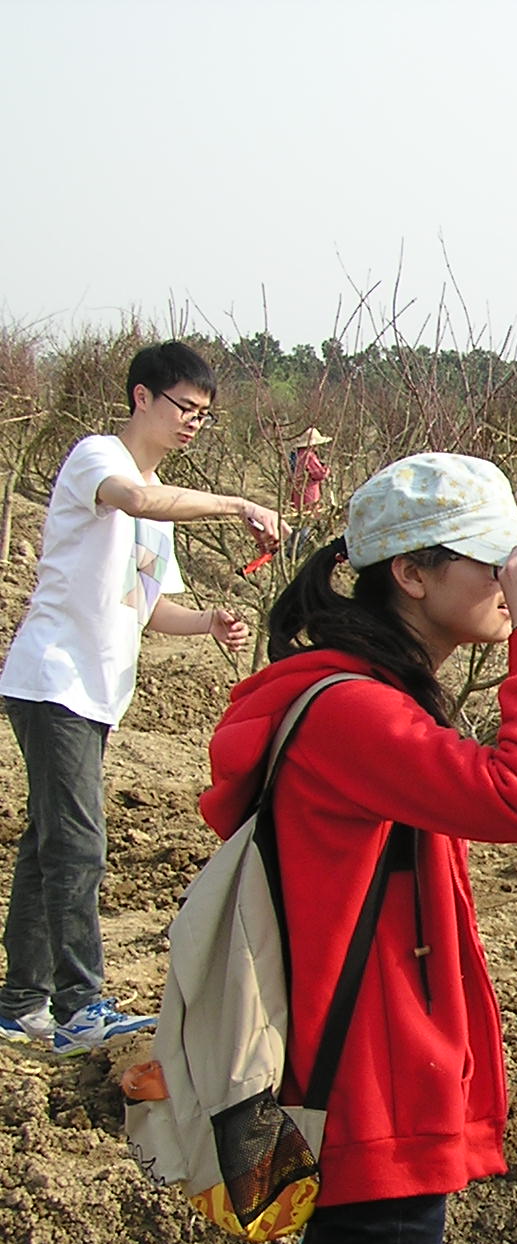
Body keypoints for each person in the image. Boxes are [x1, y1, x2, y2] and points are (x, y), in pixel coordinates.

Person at [214, 452, 517, 1244]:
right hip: (375, 1106)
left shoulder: (345, 695)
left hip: (331, 1082)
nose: (511, 576)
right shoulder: (352, 715)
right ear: (408, 576)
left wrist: (506, 561)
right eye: (489, 558)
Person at [0, 340, 279, 1054]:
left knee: (48, 845)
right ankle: (79, 1007)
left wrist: (207, 623)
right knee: (80, 845)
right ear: (141, 398)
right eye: (183, 408)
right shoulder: (102, 459)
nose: (192, 423)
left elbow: (146, 605)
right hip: (53, 680)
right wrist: (235, 503)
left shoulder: (159, 511)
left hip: (94, 692)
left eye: (203, 416)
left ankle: (21, 1001)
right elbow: (133, 497)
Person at [287, 428, 333, 513]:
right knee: (310, 514)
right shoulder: (309, 456)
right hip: (309, 492)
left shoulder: (298, 454)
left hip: (297, 491)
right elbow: (319, 474)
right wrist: (327, 469)